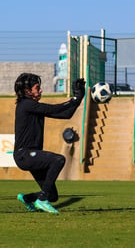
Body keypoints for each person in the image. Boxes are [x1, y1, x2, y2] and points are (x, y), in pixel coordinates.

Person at [13, 73, 85, 214]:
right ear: (27, 91)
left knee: (53, 196)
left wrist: (79, 98)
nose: (40, 90)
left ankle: (28, 198)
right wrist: (74, 98)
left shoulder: (33, 106)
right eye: (37, 88)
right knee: (58, 160)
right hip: (25, 155)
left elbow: (66, 114)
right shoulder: (26, 105)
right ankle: (42, 200)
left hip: (30, 155)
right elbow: (53, 109)